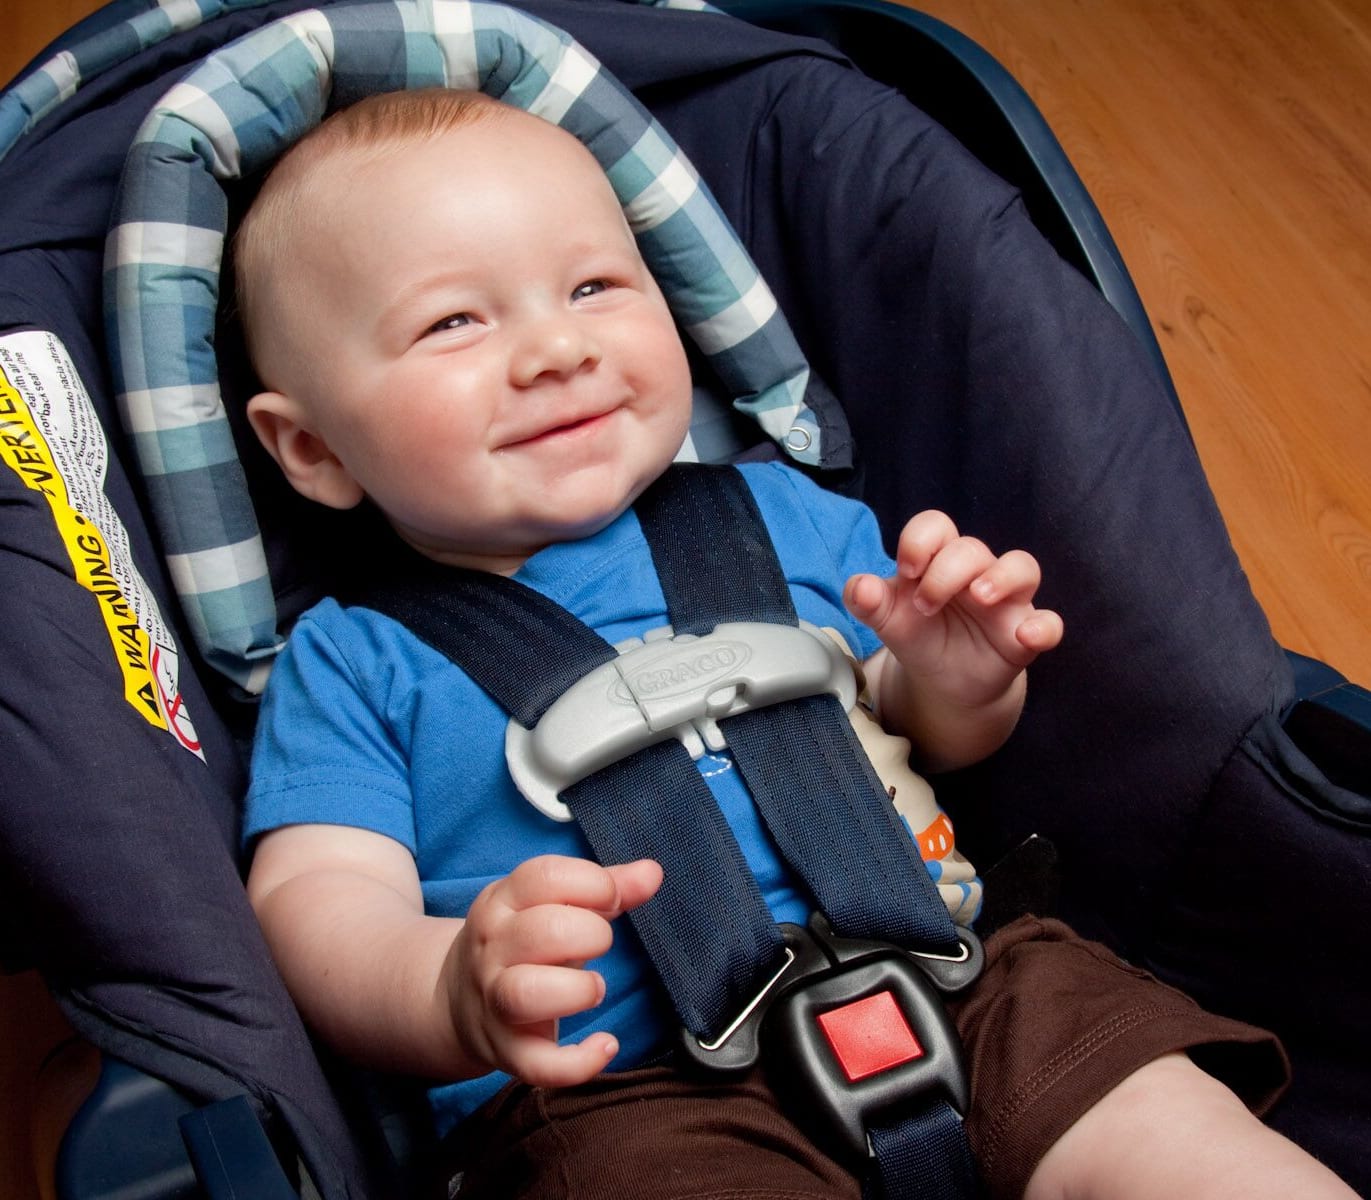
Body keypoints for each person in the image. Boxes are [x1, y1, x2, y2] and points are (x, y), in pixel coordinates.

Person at [233, 88, 1354, 1199]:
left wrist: (957, 678)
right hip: (625, 1101)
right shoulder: (353, 662)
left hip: (961, 977)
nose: (557, 347)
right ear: (315, 448)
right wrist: (445, 990)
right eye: (454, 323)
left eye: (593, 286)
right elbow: (318, 900)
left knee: (1167, 1125)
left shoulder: (788, 519)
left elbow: (920, 732)